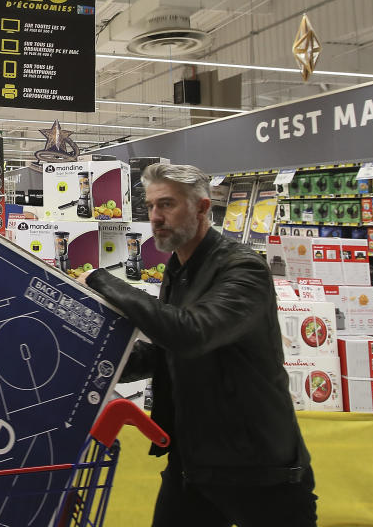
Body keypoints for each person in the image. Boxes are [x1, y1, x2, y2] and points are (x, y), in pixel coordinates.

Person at [76, 163, 316, 527]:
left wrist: (101, 281)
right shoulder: (178, 269)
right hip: (193, 463)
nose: (156, 217)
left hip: (259, 470)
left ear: (203, 208)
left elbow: (192, 335)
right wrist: (95, 360)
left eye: (168, 205)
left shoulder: (242, 270)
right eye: (152, 206)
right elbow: (165, 350)